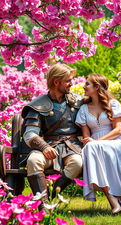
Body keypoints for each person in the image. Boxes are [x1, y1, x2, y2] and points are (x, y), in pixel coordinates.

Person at [75, 74, 121, 214]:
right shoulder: (83, 109)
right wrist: (92, 141)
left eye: (87, 84)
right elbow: (86, 136)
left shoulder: (112, 104)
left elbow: (118, 130)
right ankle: (113, 200)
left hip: (114, 143)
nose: (84, 87)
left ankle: (117, 197)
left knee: (92, 146)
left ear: (96, 87)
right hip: (94, 147)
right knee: (90, 147)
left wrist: (96, 142)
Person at [21, 63, 83, 206]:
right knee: (33, 161)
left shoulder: (77, 102)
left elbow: (100, 107)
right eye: (68, 80)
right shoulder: (38, 105)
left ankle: (50, 198)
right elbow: (29, 134)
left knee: (77, 163)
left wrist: (117, 120)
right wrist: (43, 147)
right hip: (49, 146)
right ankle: (43, 206)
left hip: (72, 148)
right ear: (56, 82)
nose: (71, 84)